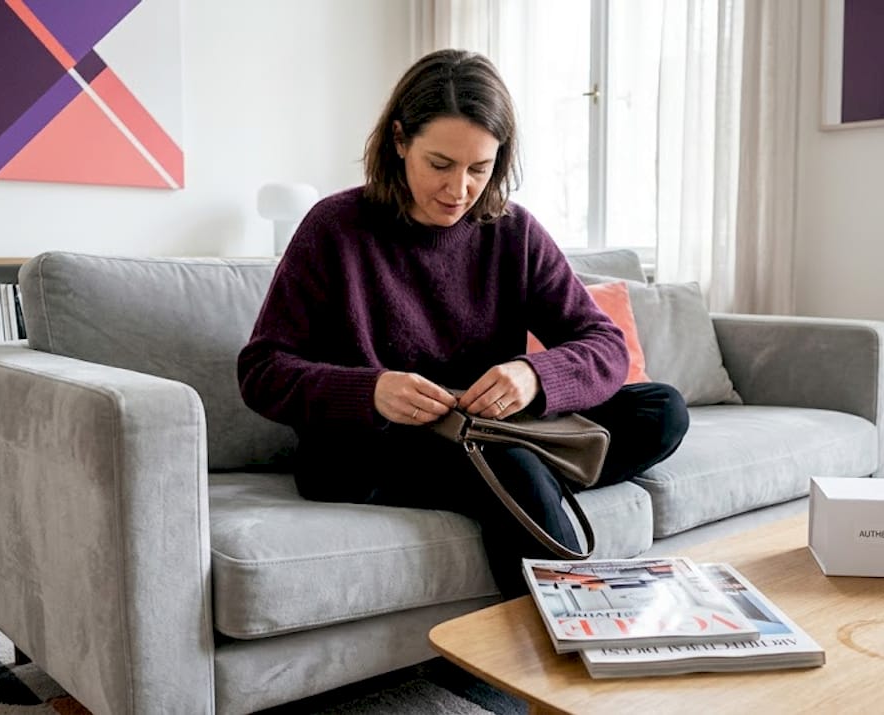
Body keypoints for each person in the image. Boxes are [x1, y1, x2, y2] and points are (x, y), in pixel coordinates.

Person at [238, 49, 689, 598]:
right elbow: (262, 370)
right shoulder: (335, 227)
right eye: (440, 164)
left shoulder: (513, 231)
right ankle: (571, 640)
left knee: (660, 409)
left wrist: (535, 377)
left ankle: (518, 481)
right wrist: (371, 390)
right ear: (400, 141)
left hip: (489, 429)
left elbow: (604, 346)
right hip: (370, 446)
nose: (459, 190)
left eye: (481, 168)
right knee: (510, 463)